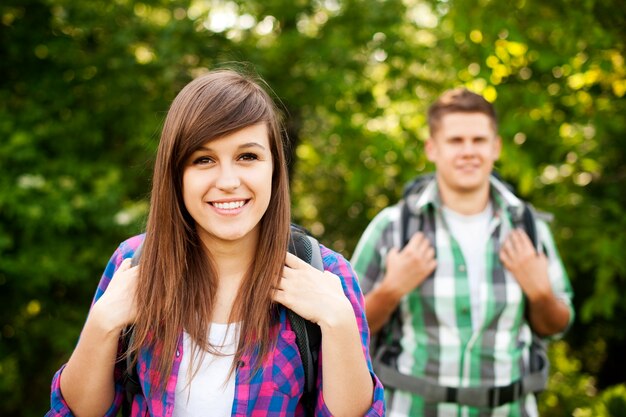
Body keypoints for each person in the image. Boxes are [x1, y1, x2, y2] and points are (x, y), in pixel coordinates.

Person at [48, 68, 385, 417]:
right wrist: (103, 322)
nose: (227, 181)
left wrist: (339, 321)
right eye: (204, 159)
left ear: (274, 168)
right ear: (176, 174)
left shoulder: (327, 274)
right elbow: (76, 412)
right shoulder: (133, 262)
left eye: (247, 157)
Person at [350, 88, 574, 417]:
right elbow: (347, 327)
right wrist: (391, 289)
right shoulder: (394, 227)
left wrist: (541, 293)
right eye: (456, 141)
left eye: (479, 140)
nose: (468, 151)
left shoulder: (527, 227)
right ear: (432, 148)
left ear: (495, 147)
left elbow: (557, 325)